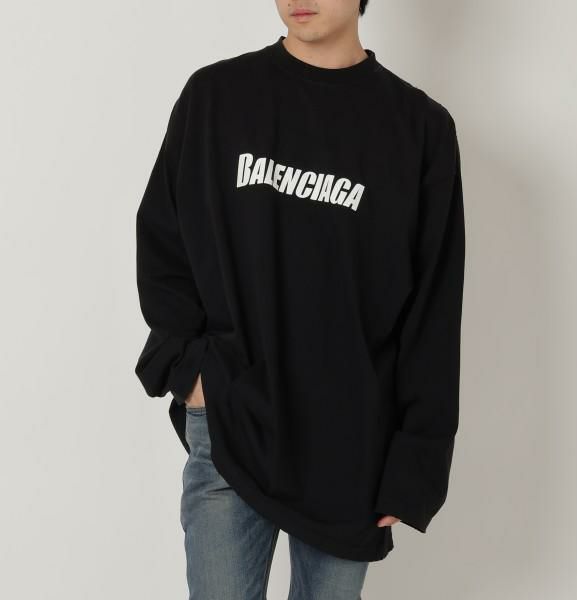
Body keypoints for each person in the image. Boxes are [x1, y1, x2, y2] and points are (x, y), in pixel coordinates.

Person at [134, 0, 465, 598]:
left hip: (351, 446)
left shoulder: (419, 129)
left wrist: (416, 460)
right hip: (231, 423)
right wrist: (189, 371)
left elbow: (433, 311)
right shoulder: (216, 98)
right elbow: (164, 240)